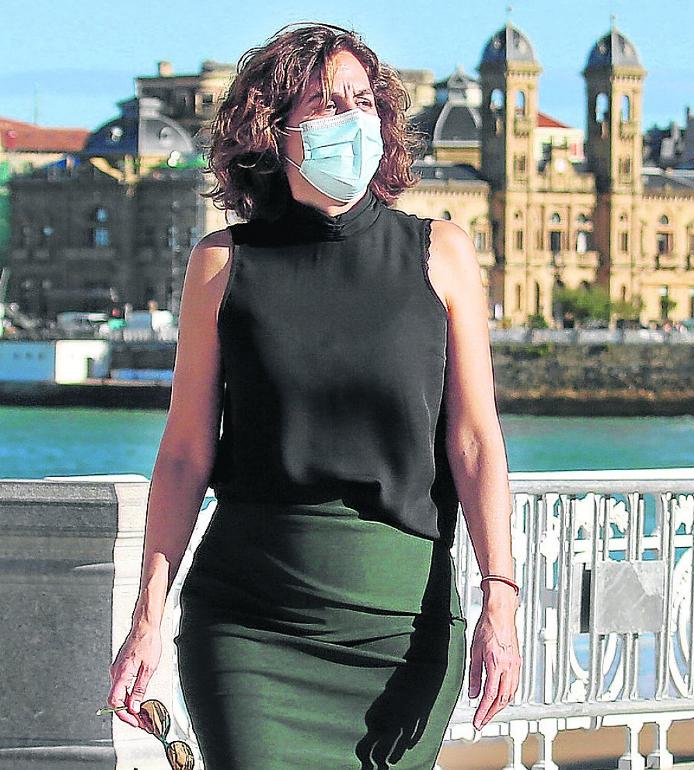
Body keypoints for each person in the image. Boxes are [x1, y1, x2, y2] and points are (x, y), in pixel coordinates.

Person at [103, 22, 521, 769]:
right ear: (275, 127)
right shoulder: (222, 265)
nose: (352, 120)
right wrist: (145, 615)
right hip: (250, 626)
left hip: (402, 629)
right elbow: (185, 455)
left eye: (364, 102)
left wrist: (501, 598)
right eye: (327, 104)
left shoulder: (441, 252)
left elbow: (475, 441)